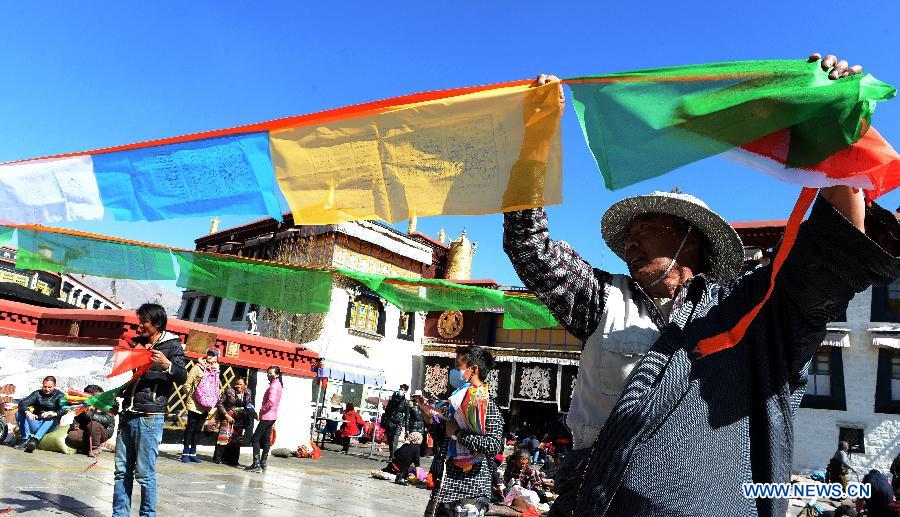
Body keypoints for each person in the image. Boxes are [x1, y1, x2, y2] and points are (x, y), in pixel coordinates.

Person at [503, 55, 900, 517]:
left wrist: (837, 124)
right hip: (593, 497)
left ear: (689, 238)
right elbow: (529, 246)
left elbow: (830, 257)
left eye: (645, 226)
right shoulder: (603, 300)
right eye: (628, 233)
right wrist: (535, 142)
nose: (629, 240)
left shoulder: (746, 312)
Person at [113, 303, 187, 517]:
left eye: (144, 322)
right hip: (128, 414)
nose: (140, 327)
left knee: (145, 474)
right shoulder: (135, 344)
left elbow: (182, 377)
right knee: (121, 472)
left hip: (150, 417)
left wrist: (167, 365)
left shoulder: (172, 346)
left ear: (157, 323)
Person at [424, 345, 503, 517]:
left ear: (473, 369)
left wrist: (459, 434)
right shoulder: (455, 402)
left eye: (458, 366)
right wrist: (429, 419)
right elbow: (444, 440)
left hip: (471, 488)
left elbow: (494, 445)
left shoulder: (488, 405)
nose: (454, 370)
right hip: (445, 485)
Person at [181, 348, 220, 463]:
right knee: (190, 428)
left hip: (206, 405)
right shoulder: (198, 367)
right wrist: (193, 396)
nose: (210, 356)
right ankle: (185, 453)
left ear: (217, 357)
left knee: (198, 429)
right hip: (194, 403)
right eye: (209, 354)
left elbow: (216, 386)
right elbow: (187, 384)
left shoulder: (216, 370)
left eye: (213, 355)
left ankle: (193, 453)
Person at [16, 375, 65, 453]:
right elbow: (23, 403)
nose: (47, 389)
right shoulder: (37, 394)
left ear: (55, 386)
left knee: (51, 418)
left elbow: (65, 409)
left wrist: (54, 413)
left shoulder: (60, 395)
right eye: (45, 387)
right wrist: (28, 411)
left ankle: (35, 440)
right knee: (19, 413)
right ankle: (26, 438)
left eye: (49, 387)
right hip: (37, 421)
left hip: (51, 424)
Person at [247, 365, 282, 473]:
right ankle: (263, 462)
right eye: (268, 373)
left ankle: (256, 464)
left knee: (255, 439)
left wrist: (262, 409)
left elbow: (270, 402)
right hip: (272, 417)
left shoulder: (274, 386)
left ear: (277, 374)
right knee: (266, 440)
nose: (269, 374)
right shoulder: (277, 384)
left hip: (267, 416)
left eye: (271, 373)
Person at [65, 384, 116, 456]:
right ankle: (86, 448)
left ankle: (95, 448)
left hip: (103, 431)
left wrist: (89, 414)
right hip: (87, 432)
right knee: (71, 436)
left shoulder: (108, 404)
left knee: (93, 424)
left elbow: (106, 420)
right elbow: (77, 418)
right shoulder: (84, 405)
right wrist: (75, 425)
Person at [213, 377, 253, 466]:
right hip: (228, 416)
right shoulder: (229, 391)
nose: (238, 386)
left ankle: (233, 460)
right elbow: (219, 404)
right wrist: (226, 415)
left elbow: (249, 404)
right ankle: (218, 458)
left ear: (245, 385)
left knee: (236, 440)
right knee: (224, 437)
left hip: (240, 419)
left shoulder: (248, 393)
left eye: (240, 384)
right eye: (237, 384)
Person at [383, 383, 410, 461]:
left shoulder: (406, 402)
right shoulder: (392, 399)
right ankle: (392, 454)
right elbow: (387, 411)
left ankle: (392, 457)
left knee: (394, 440)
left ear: (405, 391)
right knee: (389, 439)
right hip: (390, 421)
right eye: (400, 389)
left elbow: (407, 417)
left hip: (398, 422)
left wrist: (407, 429)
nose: (400, 391)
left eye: (402, 389)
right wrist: (384, 421)